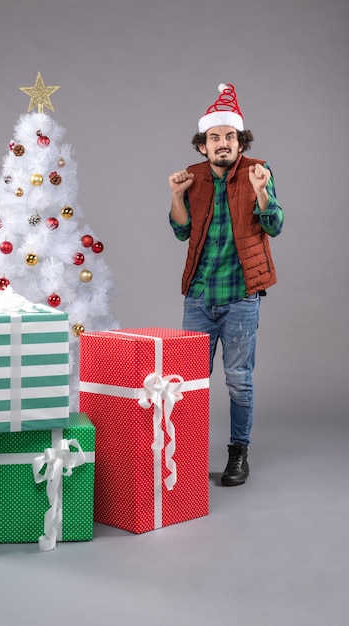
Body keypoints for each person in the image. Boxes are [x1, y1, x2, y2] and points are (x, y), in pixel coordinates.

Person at [168, 84, 283, 486]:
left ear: (240, 141)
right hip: (199, 299)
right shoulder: (193, 177)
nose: (222, 144)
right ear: (203, 146)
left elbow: (275, 225)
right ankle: (183, 455)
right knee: (187, 383)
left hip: (240, 298)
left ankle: (238, 452)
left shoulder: (258, 171)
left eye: (229, 136)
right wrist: (176, 195)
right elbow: (181, 230)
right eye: (213, 138)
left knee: (238, 380)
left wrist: (262, 192)